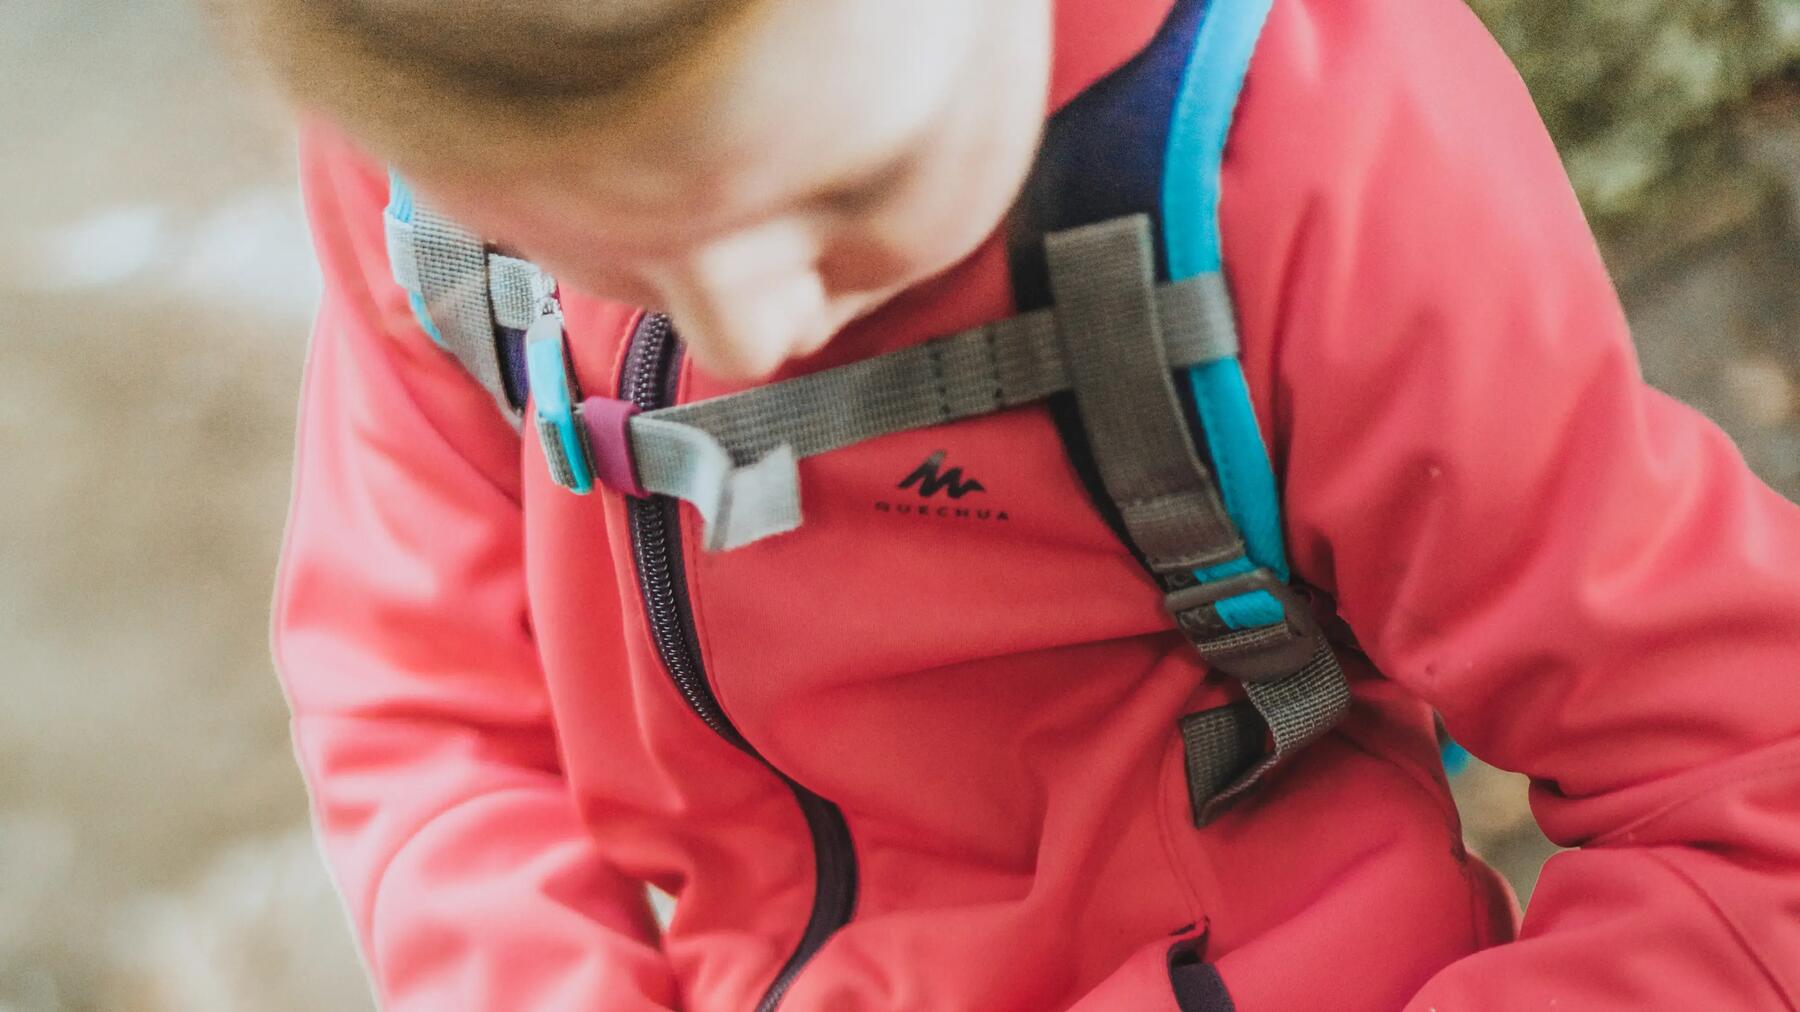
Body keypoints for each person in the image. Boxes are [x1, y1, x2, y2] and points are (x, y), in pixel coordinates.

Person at [210, 0, 1800, 1007]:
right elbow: (419, 696)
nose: (754, 336)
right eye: (608, 248)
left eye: (850, 192)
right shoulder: (430, 119)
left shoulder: (1301, 161)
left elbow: (1747, 787)